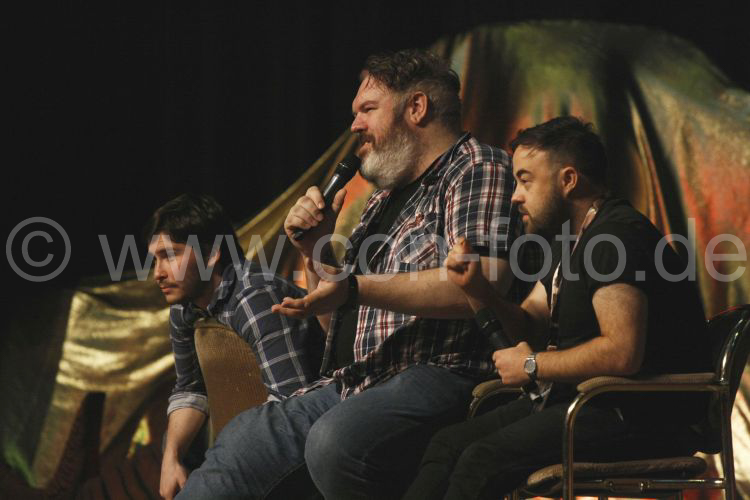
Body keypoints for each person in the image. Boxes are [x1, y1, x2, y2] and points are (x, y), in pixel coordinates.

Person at [176, 49, 524, 499]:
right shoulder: (381, 200)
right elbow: (335, 324)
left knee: (336, 442)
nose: (355, 126)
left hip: (445, 373)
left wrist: (354, 286)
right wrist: (316, 249)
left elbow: (481, 283)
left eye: (367, 110)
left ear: (416, 108)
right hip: (356, 380)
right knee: (243, 441)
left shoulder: (477, 167)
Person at [403, 116, 712, 500]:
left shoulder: (614, 239)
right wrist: (480, 290)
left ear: (569, 180)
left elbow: (623, 353)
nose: (515, 195)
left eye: (526, 179)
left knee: (480, 459)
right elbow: (530, 324)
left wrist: (532, 365)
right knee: (447, 445)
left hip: (638, 416)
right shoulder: (572, 241)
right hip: (584, 405)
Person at [144, 193, 324, 500]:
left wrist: (223, 466)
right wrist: (171, 457)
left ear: (212, 255)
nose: (158, 272)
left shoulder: (254, 297)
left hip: (301, 450)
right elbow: (190, 388)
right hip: (243, 448)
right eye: (155, 259)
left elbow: (293, 405)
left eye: (170, 255)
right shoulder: (184, 309)